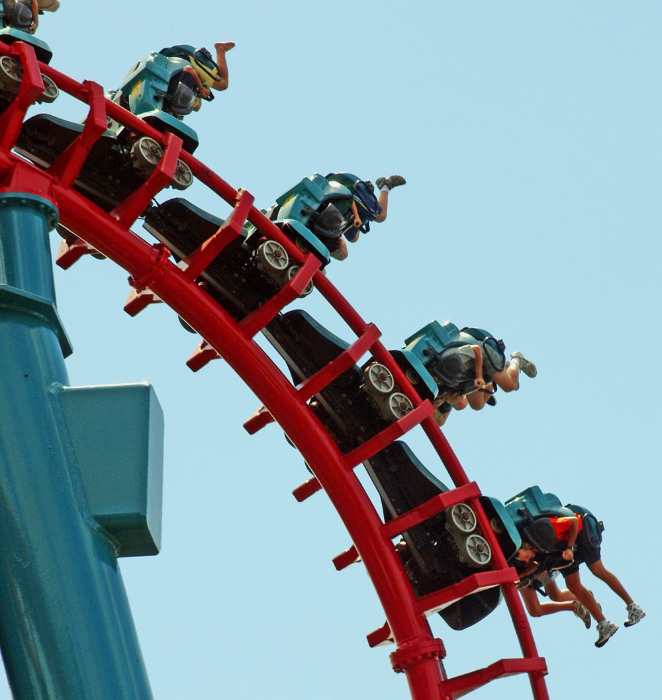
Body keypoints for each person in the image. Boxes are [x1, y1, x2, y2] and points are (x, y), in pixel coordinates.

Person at [514, 514, 645, 647]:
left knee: (598, 570)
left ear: (528, 546)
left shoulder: (540, 530)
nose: (527, 560)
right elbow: (536, 564)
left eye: (525, 557)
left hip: (581, 535)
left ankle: (634, 607)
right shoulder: (534, 547)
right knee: (573, 585)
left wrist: (569, 547)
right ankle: (604, 625)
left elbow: (574, 521)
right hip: (563, 548)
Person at [432, 347, 537, 426]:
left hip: (483, 353)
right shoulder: (439, 388)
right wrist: (454, 396)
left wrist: (479, 376)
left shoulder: (448, 361)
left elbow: (477, 349)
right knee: (466, 405)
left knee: (509, 386)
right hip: (466, 375)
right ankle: (495, 378)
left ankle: (517, 360)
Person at [325, 174, 406, 260]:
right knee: (353, 237)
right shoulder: (326, 226)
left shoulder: (330, 210)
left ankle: (385, 185)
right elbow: (343, 254)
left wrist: (356, 216)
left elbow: (349, 199)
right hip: (340, 209)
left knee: (381, 216)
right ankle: (364, 213)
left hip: (347, 189)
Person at [518, 569, 591, 629]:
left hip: (538, 566)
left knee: (556, 596)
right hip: (521, 575)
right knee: (535, 611)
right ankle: (575, 606)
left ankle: (585, 596)